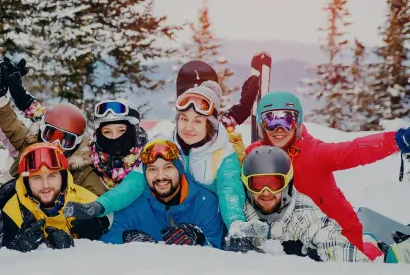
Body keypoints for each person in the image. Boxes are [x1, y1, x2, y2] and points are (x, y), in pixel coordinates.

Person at [247, 91, 410, 260]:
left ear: (298, 122)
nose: (279, 129)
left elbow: (355, 150)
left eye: (287, 120)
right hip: (292, 235)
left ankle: (380, 250)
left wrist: (397, 140)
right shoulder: (255, 155)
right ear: (261, 124)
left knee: (356, 264)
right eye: (271, 121)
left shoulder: (314, 153)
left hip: (337, 233)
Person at [65, 80, 247, 229]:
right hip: (174, 223)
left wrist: (237, 226)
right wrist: (100, 206)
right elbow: (134, 182)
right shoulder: (166, 146)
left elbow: (229, 193)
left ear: (210, 124)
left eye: (197, 121)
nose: (188, 127)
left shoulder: (224, 154)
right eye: (184, 119)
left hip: (212, 225)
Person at [229, 145, 376, 262]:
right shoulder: (239, 210)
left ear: (287, 183)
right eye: (258, 184)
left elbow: (331, 241)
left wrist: (321, 255)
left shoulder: (303, 213)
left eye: (274, 184)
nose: (266, 192)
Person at [0, 57, 106, 195]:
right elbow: (7, 123)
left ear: (76, 144)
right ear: (41, 131)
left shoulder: (83, 175)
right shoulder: (28, 145)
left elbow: (98, 201)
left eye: (66, 141)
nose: (55, 144)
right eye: (51, 135)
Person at [100, 139, 223, 247]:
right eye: (152, 169)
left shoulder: (205, 202)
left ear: (179, 170)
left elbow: (218, 254)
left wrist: (200, 240)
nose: (160, 176)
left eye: (168, 167)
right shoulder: (133, 204)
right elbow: (107, 248)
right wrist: (125, 240)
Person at [1, 142, 111, 253]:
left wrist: (93, 237)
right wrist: (17, 248)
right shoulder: (12, 212)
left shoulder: (88, 202)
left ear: (63, 176)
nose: (45, 185)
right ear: (26, 182)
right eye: (36, 178)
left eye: (52, 175)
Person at [90, 98, 148, 190]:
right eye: (107, 132)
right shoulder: (86, 166)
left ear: (134, 131)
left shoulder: (151, 163)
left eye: (121, 130)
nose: (114, 137)